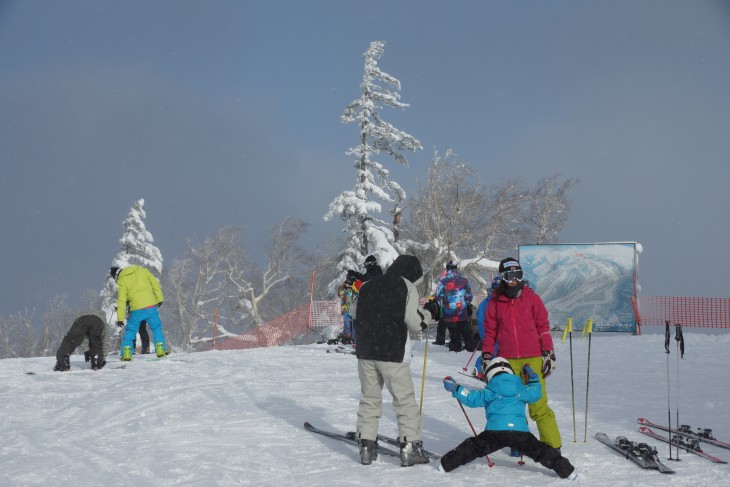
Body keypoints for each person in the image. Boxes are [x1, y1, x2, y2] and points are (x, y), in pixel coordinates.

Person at [350, 254, 431, 467]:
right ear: (413, 274)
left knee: (369, 398)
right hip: (393, 352)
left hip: (366, 351)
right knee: (404, 400)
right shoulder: (406, 286)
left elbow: (353, 311)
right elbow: (414, 321)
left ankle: (366, 446)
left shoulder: (368, 285)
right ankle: (410, 446)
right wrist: (429, 315)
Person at [439, 357, 576, 479]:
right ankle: (567, 471)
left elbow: (471, 398)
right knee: (541, 451)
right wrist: (532, 376)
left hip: (494, 434)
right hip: (520, 434)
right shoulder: (521, 389)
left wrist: (455, 388)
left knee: (472, 447)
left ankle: (445, 464)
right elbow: (536, 392)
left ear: (490, 375)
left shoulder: (489, 391)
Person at [480, 257, 561, 449]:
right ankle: (518, 445)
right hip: (507, 362)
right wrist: (486, 356)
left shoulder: (532, 298)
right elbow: (490, 333)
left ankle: (552, 446)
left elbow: (543, 326)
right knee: (512, 406)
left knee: (538, 404)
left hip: (532, 359)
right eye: (509, 276)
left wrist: (548, 352)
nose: (514, 280)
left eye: (518, 275)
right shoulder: (495, 303)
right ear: (502, 278)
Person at [111, 265, 169, 360]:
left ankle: (127, 352)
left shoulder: (122, 280)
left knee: (131, 331)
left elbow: (121, 300)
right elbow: (154, 283)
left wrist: (120, 318)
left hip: (136, 309)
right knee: (156, 327)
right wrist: (159, 298)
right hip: (150, 306)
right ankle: (160, 349)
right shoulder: (142, 271)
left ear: (117, 276)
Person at [432, 260, 475, 352]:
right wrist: (466, 305)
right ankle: (470, 347)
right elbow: (469, 296)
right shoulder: (465, 281)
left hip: (449, 313)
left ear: (448, 269)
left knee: (454, 333)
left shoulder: (443, 282)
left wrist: (439, 306)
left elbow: (438, 296)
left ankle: (455, 347)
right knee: (466, 332)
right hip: (462, 312)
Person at [336, 270, 361, 344]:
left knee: (354, 325)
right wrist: (345, 287)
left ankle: (353, 337)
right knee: (347, 324)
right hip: (346, 310)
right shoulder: (344, 287)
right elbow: (340, 294)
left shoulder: (355, 287)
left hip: (353, 310)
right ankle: (347, 336)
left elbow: (358, 293)